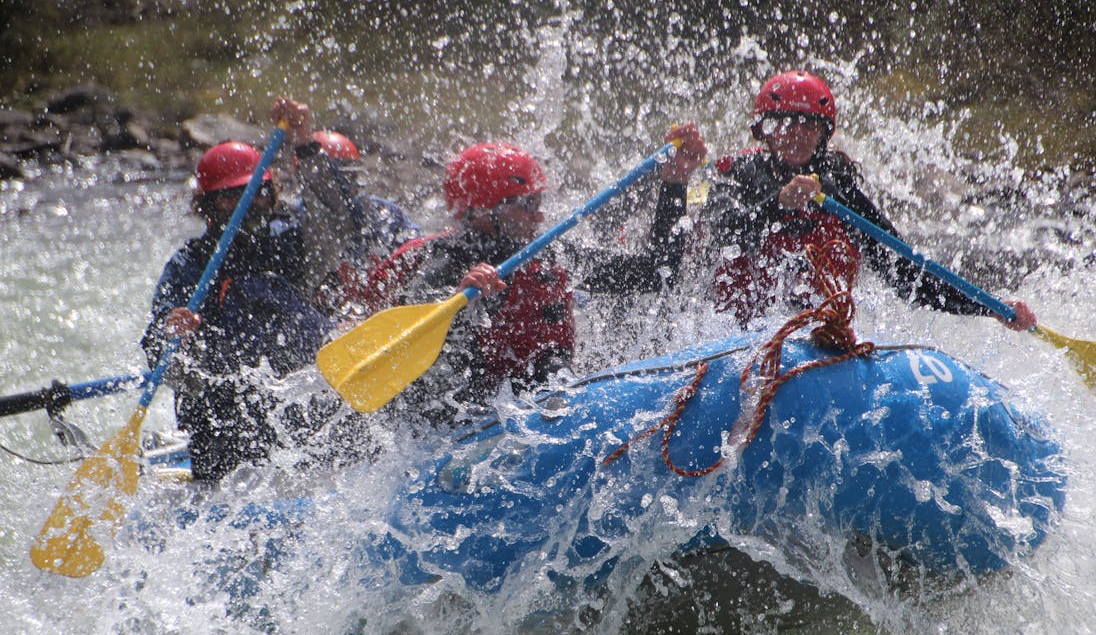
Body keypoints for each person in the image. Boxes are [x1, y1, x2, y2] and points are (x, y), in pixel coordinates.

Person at [654, 70, 1037, 330]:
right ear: (764, 131)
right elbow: (725, 232)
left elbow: (905, 273)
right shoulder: (735, 175)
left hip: (816, 341)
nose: (797, 133)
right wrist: (779, 204)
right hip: (736, 336)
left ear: (824, 133)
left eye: (809, 124)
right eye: (786, 122)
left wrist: (989, 308)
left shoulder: (839, 187)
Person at [363, 137, 704, 423]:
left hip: (541, 398)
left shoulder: (551, 255)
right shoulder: (446, 259)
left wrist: (674, 184)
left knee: (553, 372)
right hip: (464, 414)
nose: (538, 215)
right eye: (525, 204)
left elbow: (659, 272)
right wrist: (457, 300)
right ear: (483, 211)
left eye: (538, 202)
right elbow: (410, 333)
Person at [141, 138, 334, 482]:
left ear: (272, 193)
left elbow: (335, 221)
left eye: (257, 192)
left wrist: (305, 143)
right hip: (227, 434)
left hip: (304, 416)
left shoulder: (293, 244)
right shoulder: (190, 266)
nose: (248, 205)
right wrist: (179, 337)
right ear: (208, 206)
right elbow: (160, 356)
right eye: (232, 197)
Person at [288, 124, 421, 320]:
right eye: (339, 179)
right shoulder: (293, 225)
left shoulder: (385, 215)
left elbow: (419, 254)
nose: (347, 188)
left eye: (351, 178)